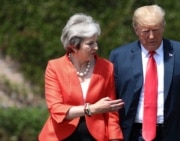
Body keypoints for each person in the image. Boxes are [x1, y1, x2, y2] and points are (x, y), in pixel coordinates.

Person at [109, 4, 180, 141]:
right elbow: (111, 102)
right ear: (136, 29)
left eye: (156, 30)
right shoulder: (119, 57)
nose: (151, 36)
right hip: (134, 134)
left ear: (163, 26)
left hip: (175, 134)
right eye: (146, 31)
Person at [39, 13, 124, 141]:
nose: (96, 47)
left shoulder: (107, 67)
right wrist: (91, 109)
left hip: (96, 136)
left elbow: (112, 111)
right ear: (73, 45)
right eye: (90, 44)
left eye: (96, 42)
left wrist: (115, 138)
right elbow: (56, 109)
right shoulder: (54, 67)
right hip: (59, 135)